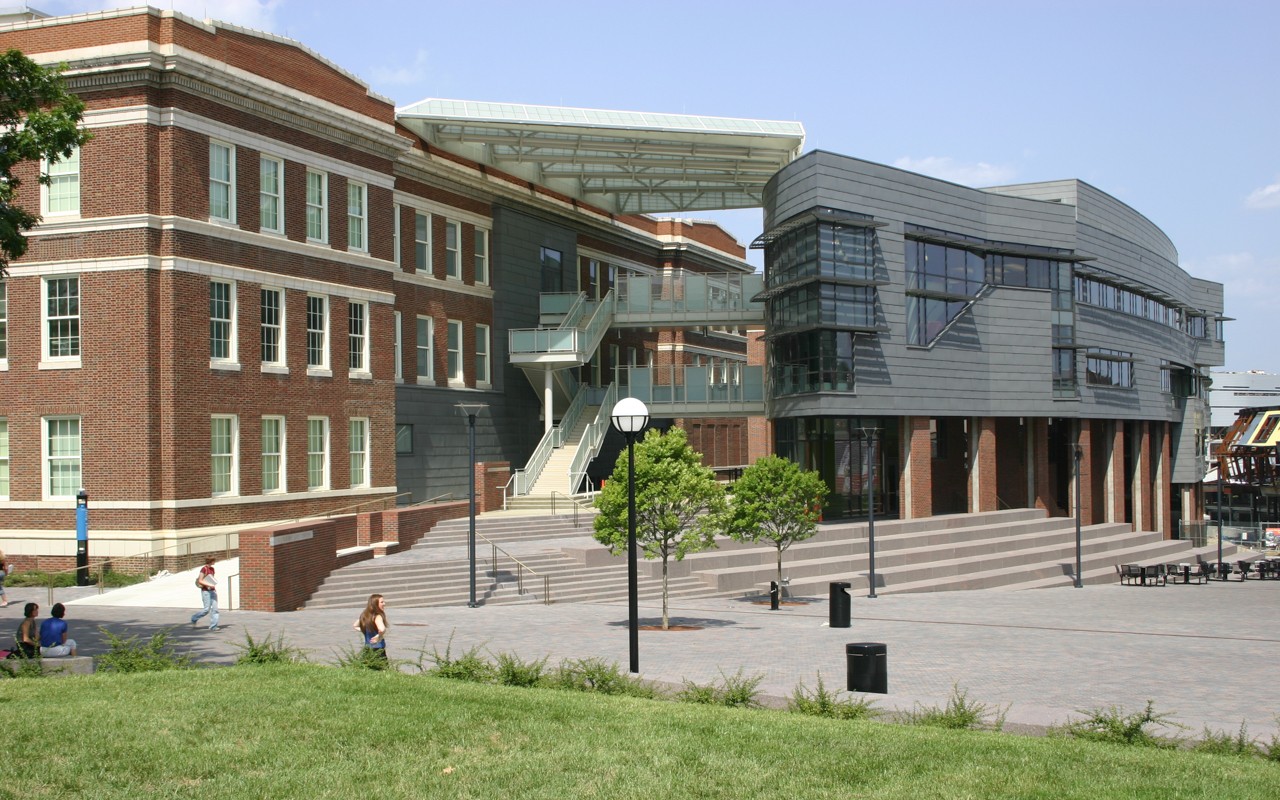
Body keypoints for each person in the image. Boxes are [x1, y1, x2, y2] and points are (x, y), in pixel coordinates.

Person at [353, 593, 388, 660]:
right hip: (378, 649)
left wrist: (365, 630)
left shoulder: (365, 616)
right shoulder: (377, 616)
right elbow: (382, 629)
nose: (384, 604)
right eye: (382, 602)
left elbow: (355, 625)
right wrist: (378, 636)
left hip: (367, 648)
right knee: (383, 669)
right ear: (375, 604)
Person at [190, 556, 220, 631]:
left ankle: (213, 626)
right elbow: (200, 580)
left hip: (212, 590)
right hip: (206, 591)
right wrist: (209, 585)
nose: (214, 562)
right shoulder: (204, 569)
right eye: (214, 560)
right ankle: (194, 618)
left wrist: (213, 584)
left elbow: (211, 579)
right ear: (211, 561)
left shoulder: (212, 569)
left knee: (215, 609)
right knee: (206, 609)